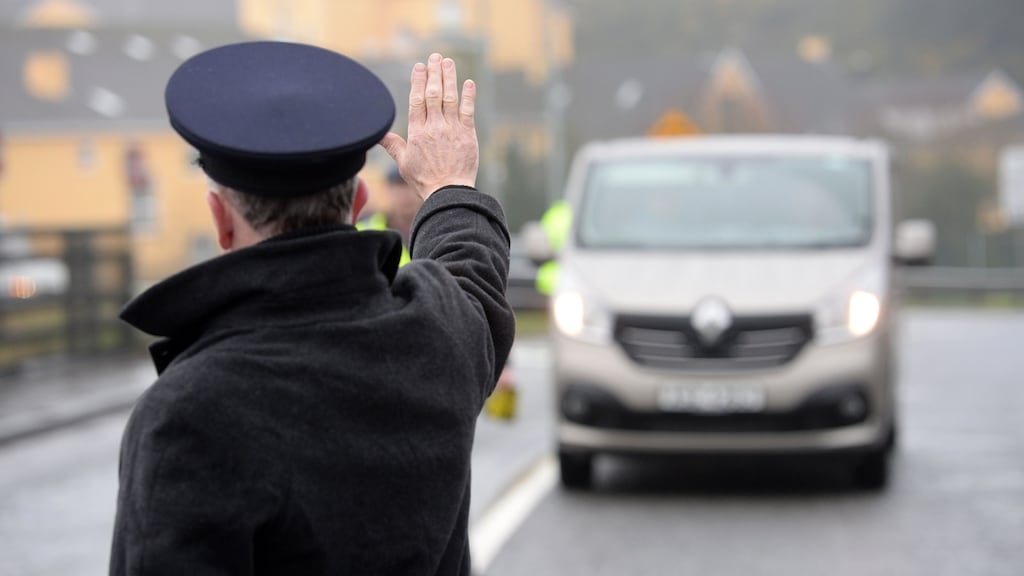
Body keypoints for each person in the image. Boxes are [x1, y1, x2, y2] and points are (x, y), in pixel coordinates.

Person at [110, 41, 514, 575]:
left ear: (220, 219)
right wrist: (448, 185)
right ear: (357, 203)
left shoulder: (187, 414)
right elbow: (474, 276)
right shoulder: (438, 336)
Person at [356, 166, 421, 268]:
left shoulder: (434, 228)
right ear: (388, 191)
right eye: (399, 187)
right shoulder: (365, 231)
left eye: (410, 186)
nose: (405, 196)